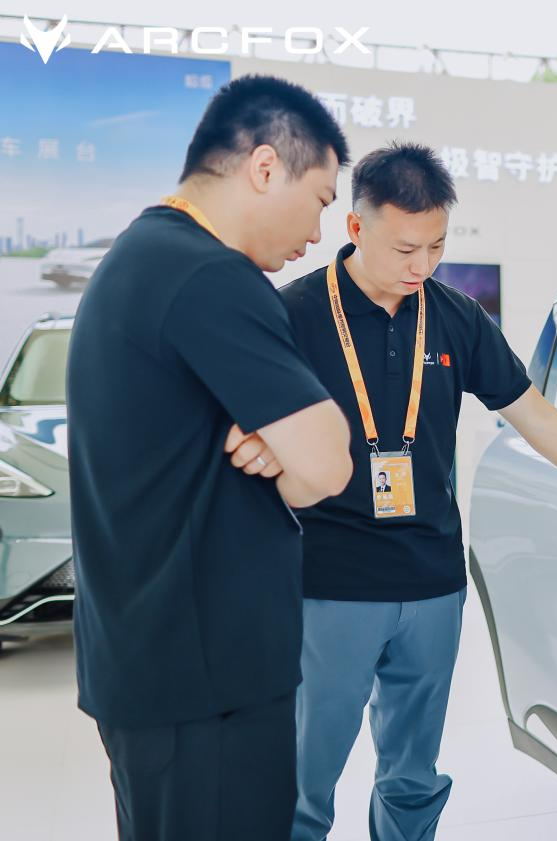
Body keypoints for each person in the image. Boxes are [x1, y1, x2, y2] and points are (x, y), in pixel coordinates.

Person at [281, 142, 557, 841]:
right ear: (355, 228)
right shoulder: (295, 314)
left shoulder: (455, 316)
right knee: (303, 775)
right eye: (404, 249)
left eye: (437, 246)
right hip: (329, 584)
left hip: (432, 582)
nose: (421, 266)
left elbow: (536, 416)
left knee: (413, 773)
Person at [66, 75, 355, 841]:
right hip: (206, 683)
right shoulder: (210, 274)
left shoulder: (142, 255)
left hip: (155, 663)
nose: (317, 233)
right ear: (264, 166)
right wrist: (295, 447)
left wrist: (278, 441)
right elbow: (327, 466)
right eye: (320, 200)